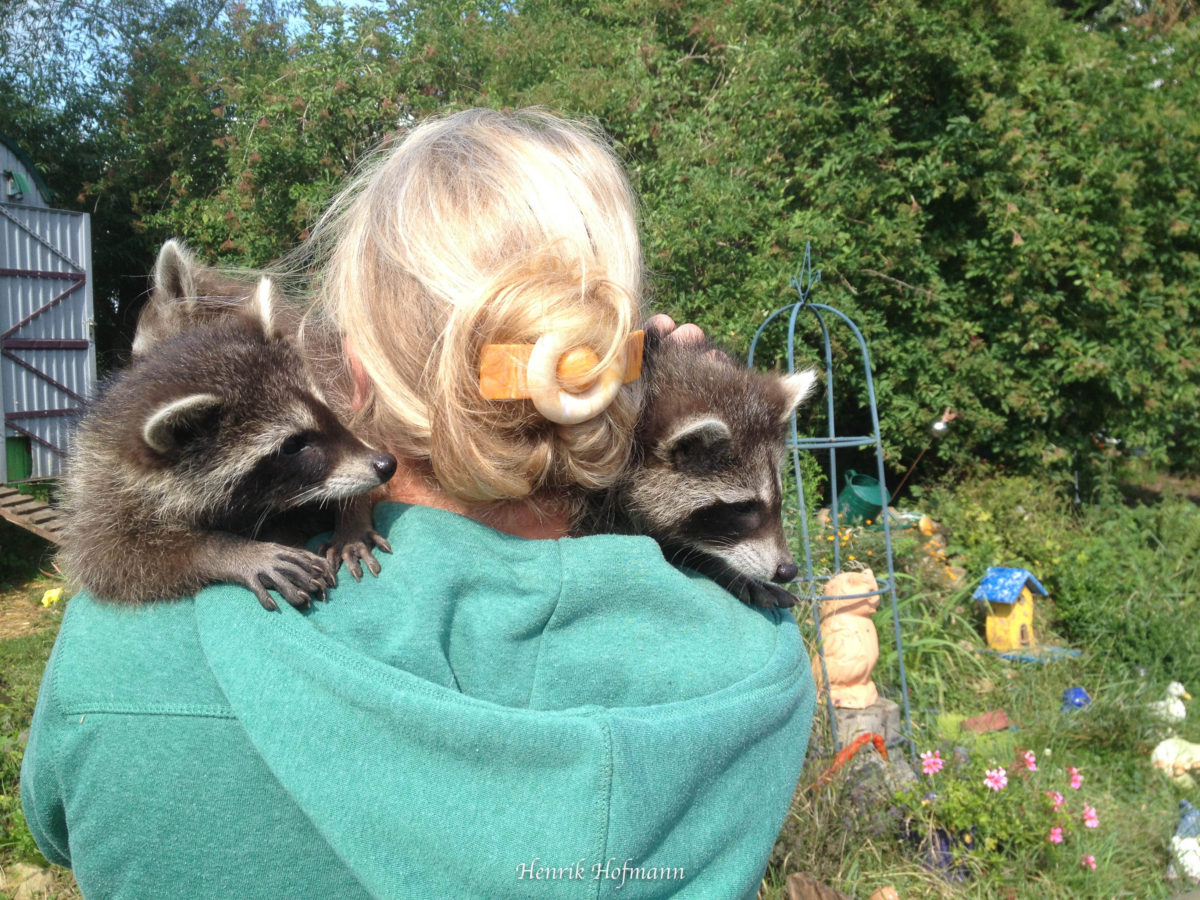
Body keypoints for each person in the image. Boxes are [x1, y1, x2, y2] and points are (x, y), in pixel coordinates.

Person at [21, 108, 815, 899]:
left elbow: (54, 827)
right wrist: (648, 417)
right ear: (605, 370)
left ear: (350, 373)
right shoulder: (754, 663)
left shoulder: (118, 650)